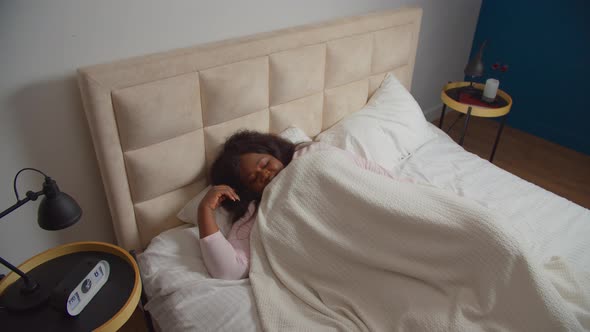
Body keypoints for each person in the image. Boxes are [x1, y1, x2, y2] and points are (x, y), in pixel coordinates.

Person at [198, 130, 410, 280]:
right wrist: (205, 211)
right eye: (254, 179)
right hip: (348, 252)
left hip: (382, 215)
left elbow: (368, 172)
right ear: (247, 192)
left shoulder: (314, 153)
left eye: (264, 164)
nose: (264, 173)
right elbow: (229, 271)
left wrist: (413, 193)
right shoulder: (257, 214)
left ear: (272, 152)